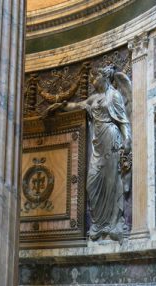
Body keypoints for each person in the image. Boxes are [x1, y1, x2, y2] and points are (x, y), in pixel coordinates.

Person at [40, 65, 132, 242]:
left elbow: (123, 121)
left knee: (112, 181)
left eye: (95, 78)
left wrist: (127, 140)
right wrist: (59, 106)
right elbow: (77, 105)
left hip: (111, 138)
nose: (92, 81)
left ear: (104, 77)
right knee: (92, 183)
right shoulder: (94, 98)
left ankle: (113, 223)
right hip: (98, 143)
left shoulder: (114, 96)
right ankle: (98, 223)